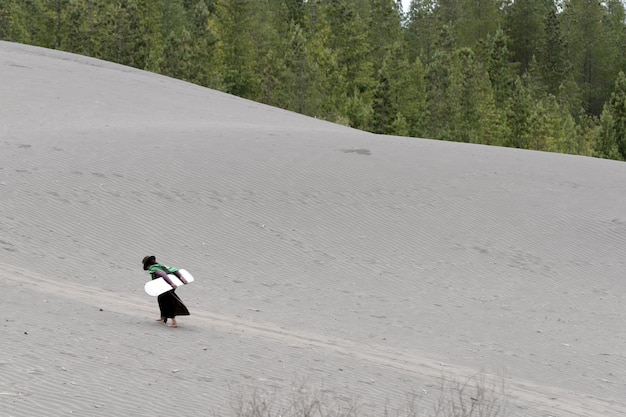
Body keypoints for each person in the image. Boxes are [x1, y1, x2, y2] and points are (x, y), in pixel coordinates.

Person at [142, 255, 190, 328]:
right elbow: (175, 270)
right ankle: (163, 317)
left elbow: (163, 275)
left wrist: (171, 283)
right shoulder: (162, 266)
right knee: (161, 299)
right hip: (169, 286)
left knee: (168, 302)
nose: (148, 269)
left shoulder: (154, 268)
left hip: (166, 286)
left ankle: (174, 322)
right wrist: (182, 278)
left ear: (148, 265)